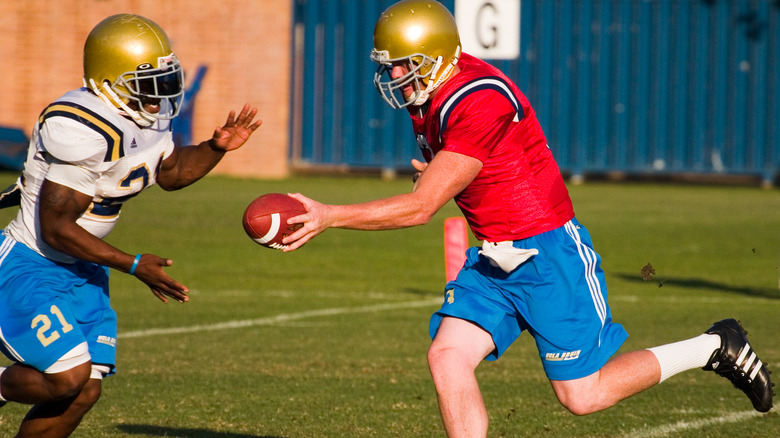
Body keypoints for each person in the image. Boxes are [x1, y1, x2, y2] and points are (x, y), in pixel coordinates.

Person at [281, 1, 774, 436]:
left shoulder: (478, 99)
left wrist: (329, 215)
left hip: (547, 253)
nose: (395, 77)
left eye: (405, 65)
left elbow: (421, 207)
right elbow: (464, 175)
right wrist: (438, 175)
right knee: (448, 357)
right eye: (390, 67)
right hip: (494, 259)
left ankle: (713, 345)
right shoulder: (430, 95)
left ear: (438, 56)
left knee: (583, 396)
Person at [0, 13, 261, 438]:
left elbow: (171, 172)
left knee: (84, 391)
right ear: (108, 79)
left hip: (81, 268)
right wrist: (134, 264)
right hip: (31, 264)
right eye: (146, 81)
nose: (157, 94)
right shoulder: (80, 126)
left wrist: (216, 148)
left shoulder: (145, 115)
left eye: (162, 78)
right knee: (66, 378)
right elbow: (56, 228)